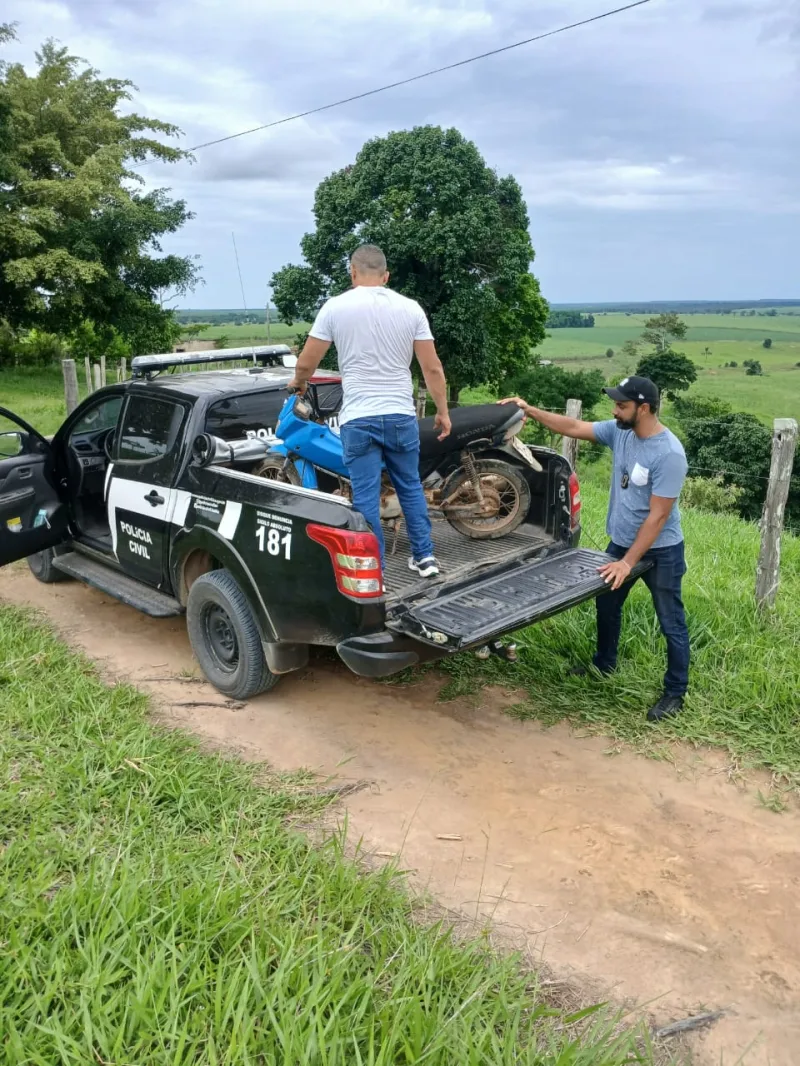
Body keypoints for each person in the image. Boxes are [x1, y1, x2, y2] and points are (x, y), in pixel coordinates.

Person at [500, 376, 690, 721]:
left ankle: (675, 692)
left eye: (622, 405)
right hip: (620, 544)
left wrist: (627, 563)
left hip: (661, 552)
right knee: (607, 604)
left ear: (643, 408)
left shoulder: (669, 454)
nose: (614, 410)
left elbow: (658, 516)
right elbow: (573, 425)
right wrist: (528, 409)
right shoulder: (621, 432)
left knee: (671, 621)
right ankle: (604, 664)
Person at [287, 244, 451, 578]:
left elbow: (307, 361)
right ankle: (425, 558)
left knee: (365, 494)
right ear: (386, 276)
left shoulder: (335, 307)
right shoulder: (411, 308)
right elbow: (432, 368)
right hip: (400, 415)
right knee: (410, 487)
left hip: (358, 418)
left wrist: (299, 384)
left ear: (353, 272)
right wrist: (443, 412)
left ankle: (373, 566)